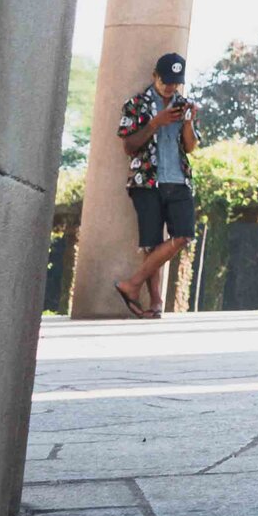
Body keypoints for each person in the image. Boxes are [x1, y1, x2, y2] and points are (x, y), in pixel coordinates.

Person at [112, 51, 199, 319]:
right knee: (151, 244)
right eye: (166, 81)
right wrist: (155, 123)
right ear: (154, 76)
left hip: (178, 180)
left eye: (175, 82)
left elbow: (191, 147)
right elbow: (129, 146)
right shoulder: (136, 104)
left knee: (183, 235)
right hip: (146, 181)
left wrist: (188, 122)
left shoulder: (184, 105)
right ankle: (156, 303)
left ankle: (132, 284)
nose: (171, 87)